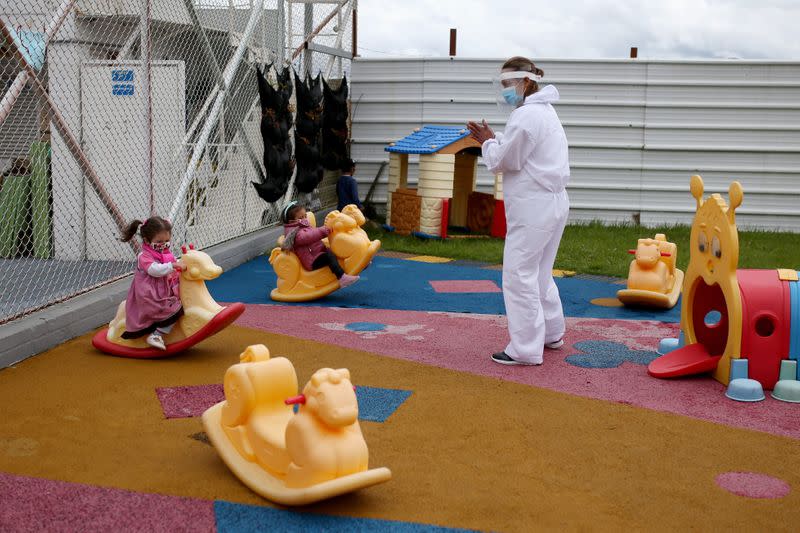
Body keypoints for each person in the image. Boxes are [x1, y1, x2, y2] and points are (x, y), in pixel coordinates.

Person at [467, 56, 571, 366]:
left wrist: (487, 142)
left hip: (533, 207)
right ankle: (552, 333)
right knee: (539, 273)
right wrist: (496, 139)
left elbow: (504, 161)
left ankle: (525, 348)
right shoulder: (544, 112)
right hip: (553, 202)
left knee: (518, 274)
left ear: (525, 82)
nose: (505, 92)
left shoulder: (526, 116)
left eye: (507, 85)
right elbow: (521, 150)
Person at [119, 216, 185, 350]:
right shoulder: (144, 256)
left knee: (176, 304)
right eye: (159, 241)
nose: (164, 245)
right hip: (149, 294)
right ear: (147, 241)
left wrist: (180, 263)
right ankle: (156, 335)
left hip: (161, 290)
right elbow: (154, 270)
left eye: (167, 241)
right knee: (175, 310)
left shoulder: (165, 252)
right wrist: (173, 266)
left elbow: (172, 261)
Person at [281, 201, 360, 287]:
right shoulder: (295, 233)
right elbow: (308, 236)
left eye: (305, 216)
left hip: (317, 253)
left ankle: (356, 260)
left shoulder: (302, 226)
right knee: (329, 256)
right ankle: (342, 278)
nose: (304, 219)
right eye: (301, 217)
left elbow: (313, 232)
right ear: (291, 221)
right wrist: (323, 231)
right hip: (312, 260)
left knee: (333, 250)